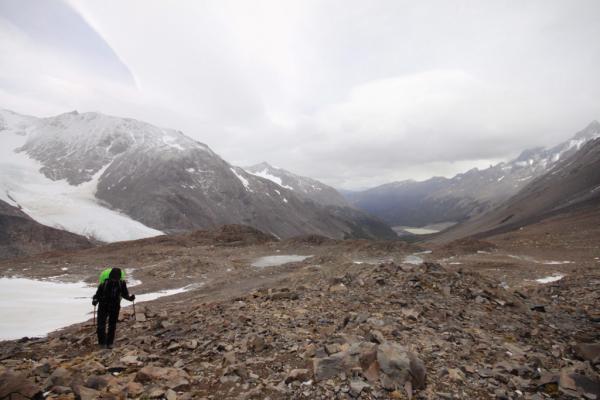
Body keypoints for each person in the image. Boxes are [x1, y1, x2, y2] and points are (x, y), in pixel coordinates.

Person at [92, 267, 135, 349]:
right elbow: (98, 294)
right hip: (104, 305)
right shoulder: (105, 283)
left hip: (114, 306)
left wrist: (130, 298)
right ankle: (102, 343)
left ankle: (109, 343)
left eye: (115, 278)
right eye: (113, 278)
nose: (114, 280)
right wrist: (95, 300)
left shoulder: (121, 283)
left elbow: (124, 294)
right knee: (102, 325)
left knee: (112, 325)